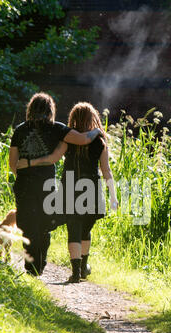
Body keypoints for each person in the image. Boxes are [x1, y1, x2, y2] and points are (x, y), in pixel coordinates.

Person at [17, 102, 118, 283]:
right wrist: (113, 196)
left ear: (73, 119)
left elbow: (53, 158)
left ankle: (76, 272)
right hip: (92, 189)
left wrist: (30, 163)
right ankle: (83, 267)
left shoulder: (67, 140)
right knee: (86, 229)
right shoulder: (100, 141)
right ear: (92, 118)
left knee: (74, 227)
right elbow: (106, 170)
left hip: (70, 187)